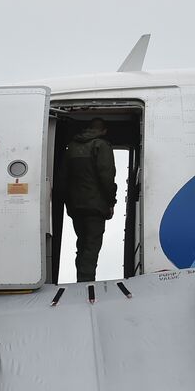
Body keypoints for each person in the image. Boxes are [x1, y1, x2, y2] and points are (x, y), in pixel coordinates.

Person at [63, 118, 116, 282]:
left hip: (76, 205)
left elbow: (63, 178)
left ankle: (81, 280)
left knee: (82, 245)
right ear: (104, 130)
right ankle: (86, 284)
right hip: (96, 206)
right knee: (92, 246)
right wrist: (111, 201)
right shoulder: (101, 146)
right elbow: (106, 176)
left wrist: (67, 201)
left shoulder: (71, 147)